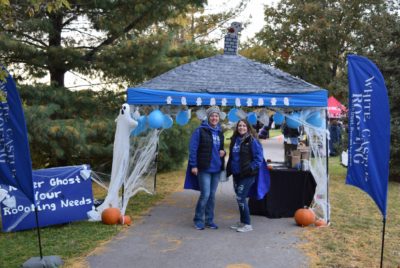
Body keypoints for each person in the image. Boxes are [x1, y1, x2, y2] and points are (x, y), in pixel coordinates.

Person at [184, 106, 226, 230]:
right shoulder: (200, 131)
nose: (214, 118)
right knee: (205, 194)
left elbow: (221, 149)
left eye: (216, 116)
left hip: (216, 169)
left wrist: (223, 152)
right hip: (204, 168)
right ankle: (198, 219)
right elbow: (193, 149)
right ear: (208, 117)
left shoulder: (220, 132)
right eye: (212, 115)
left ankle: (209, 220)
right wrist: (194, 165)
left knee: (212, 196)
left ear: (219, 118)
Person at [226, 119, 264, 233]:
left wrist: (250, 168)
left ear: (248, 127)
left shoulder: (252, 141)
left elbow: (259, 159)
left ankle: (247, 224)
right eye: (239, 126)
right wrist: (228, 170)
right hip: (236, 174)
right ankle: (242, 222)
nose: (241, 127)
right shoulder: (235, 140)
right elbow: (233, 157)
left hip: (247, 175)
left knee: (241, 197)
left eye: (243, 126)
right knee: (239, 198)